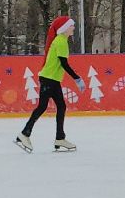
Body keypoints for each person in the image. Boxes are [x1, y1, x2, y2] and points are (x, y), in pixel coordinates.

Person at [15, 13, 82, 152]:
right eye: (72, 26)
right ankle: (24, 134)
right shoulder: (61, 41)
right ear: (65, 28)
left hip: (51, 79)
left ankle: (59, 138)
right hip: (49, 79)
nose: (73, 28)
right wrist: (77, 78)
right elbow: (64, 64)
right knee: (42, 107)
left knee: (60, 106)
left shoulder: (60, 40)